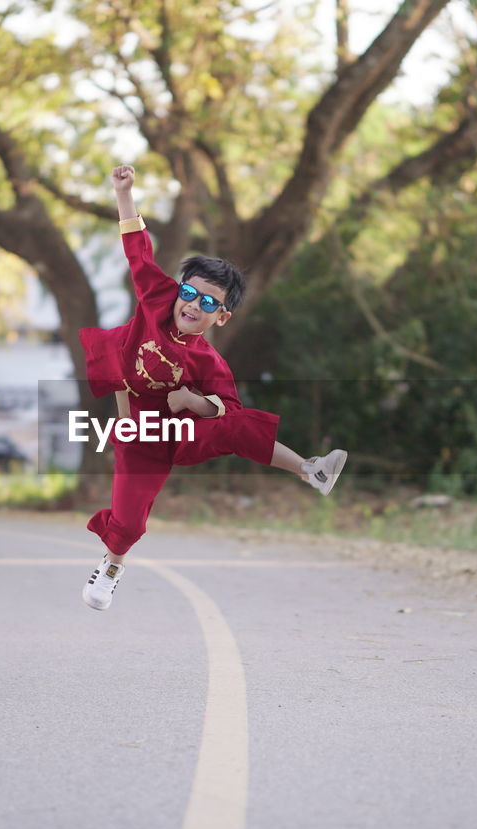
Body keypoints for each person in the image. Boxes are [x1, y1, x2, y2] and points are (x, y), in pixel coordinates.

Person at [77, 164, 347, 611]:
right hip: (139, 433)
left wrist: (193, 401)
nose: (192, 305)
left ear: (221, 317)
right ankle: (111, 566)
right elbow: (137, 250)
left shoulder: (208, 361)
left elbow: (228, 408)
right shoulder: (159, 297)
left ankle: (310, 470)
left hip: (177, 430)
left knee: (238, 426)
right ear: (180, 289)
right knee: (130, 523)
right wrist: (124, 194)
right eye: (191, 293)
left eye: (208, 304)